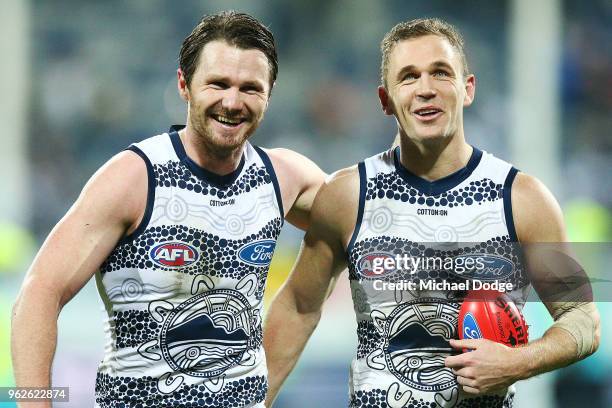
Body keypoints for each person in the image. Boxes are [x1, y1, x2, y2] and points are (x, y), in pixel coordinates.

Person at [263, 18, 600, 407]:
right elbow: (299, 306)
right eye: (408, 77)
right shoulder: (348, 195)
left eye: (440, 73)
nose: (426, 89)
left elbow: (583, 321)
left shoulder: (521, 198)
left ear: (467, 88)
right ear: (385, 100)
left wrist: (517, 362)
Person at [11, 11, 326, 408]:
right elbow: (38, 292)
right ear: (184, 85)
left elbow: (364, 218)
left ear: (269, 95)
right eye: (218, 84)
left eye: (250, 88)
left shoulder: (284, 177)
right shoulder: (135, 178)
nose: (232, 102)